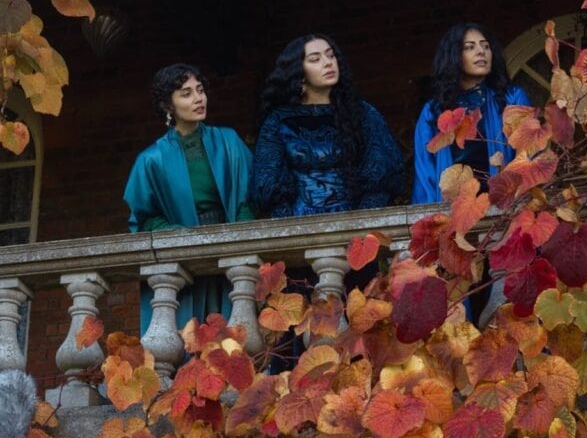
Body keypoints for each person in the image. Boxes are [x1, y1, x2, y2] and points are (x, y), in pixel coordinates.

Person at [123, 63, 254, 331]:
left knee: (235, 340)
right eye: (186, 93)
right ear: (167, 105)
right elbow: (144, 218)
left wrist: (240, 236)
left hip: (232, 248)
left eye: (200, 90)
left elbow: (249, 197)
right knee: (186, 342)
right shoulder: (151, 160)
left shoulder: (229, 141)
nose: (198, 98)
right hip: (183, 257)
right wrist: (180, 238)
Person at [251, 34, 406, 217]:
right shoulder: (278, 121)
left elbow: (382, 174)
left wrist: (363, 224)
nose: (328, 63)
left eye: (331, 55)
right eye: (315, 59)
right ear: (298, 72)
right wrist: (293, 229)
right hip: (300, 226)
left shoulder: (363, 113)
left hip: (359, 223)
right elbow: (268, 184)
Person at [412, 22, 531, 204]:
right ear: (454, 56)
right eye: (469, 47)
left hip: (505, 209)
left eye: (485, 46)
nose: (481, 51)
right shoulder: (433, 111)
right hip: (453, 213)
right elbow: (425, 178)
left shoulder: (511, 99)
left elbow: (529, 156)